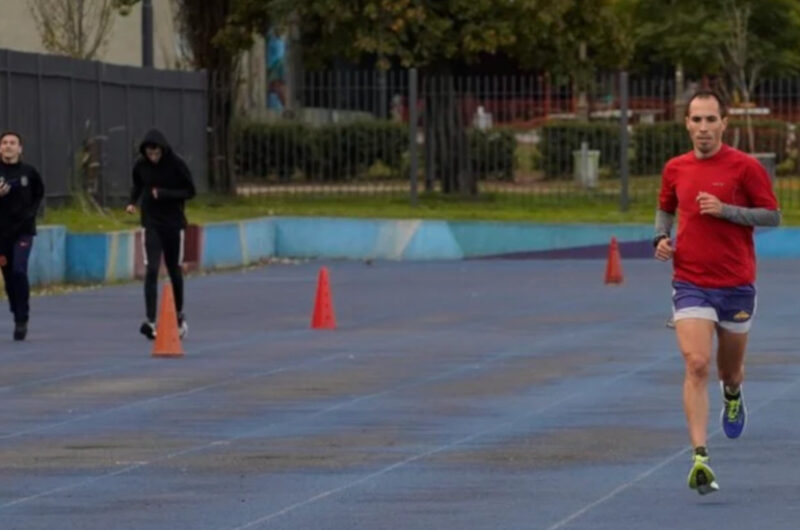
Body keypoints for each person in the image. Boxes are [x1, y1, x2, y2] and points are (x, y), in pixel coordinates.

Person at [654, 89, 780, 495]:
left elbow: (773, 215)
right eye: (696, 120)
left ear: (724, 123)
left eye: (711, 120)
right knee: (695, 364)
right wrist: (661, 236)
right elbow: (666, 207)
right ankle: (700, 456)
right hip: (690, 280)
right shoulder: (675, 167)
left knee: (729, 370)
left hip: (736, 285)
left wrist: (727, 210)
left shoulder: (745, 167)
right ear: (686, 124)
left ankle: (732, 393)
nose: (703, 128)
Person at [126, 129, 195, 340]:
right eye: (149, 154)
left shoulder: (176, 164)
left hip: (173, 223)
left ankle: (179, 315)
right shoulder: (141, 165)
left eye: (156, 154)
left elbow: (190, 191)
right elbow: (138, 184)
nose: (153, 158)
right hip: (151, 223)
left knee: (174, 269)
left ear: (162, 150)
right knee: (152, 269)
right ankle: (150, 319)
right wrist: (132, 202)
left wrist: (164, 194)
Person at [0, 131, 45, 341]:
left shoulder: (29, 172)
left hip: (23, 231)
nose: (8, 146)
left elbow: (39, 193)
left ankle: (22, 317)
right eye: (5, 143)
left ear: (20, 148)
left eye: (12, 143)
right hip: (2, 233)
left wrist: (31, 214)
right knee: (9, 276)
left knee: (19, 270)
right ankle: (15, 310)